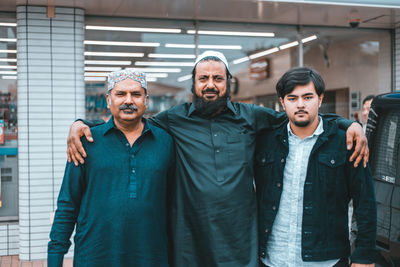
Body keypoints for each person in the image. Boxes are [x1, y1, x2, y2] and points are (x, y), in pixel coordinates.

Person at [67, 51, 368, 267]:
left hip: (240, 239)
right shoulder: (174, 119)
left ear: (228, 83)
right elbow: (129, 121)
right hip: (189, 236)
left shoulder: (251, 116)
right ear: (194, 84)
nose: (210, 84)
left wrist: (348, 124)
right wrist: (81, 124)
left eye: (217, 78)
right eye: (203, 78)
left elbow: (299, 114)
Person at [48, 70, 174, 267]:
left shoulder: (165, 142)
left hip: (150, 257)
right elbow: (67, 205)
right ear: (108, 100)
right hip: (95, 256)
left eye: (136, 94)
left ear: (146, 100)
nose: (128, 100)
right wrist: (55, 259)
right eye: (121, 94)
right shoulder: (86, 142)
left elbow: (174, 205)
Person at [255, 67, 377, 267]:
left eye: (308, 97)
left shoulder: (345, 142)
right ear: (282, 102)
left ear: (320, 99)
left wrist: (364, 255)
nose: (300, 104)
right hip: (272, 259)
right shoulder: (266, 141)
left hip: (326, 261)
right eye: (292, 98)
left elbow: (365, 201)